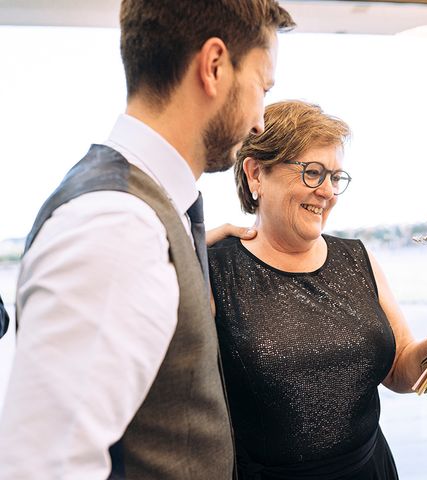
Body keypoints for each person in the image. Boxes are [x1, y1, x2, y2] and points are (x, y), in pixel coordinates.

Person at [0, 2, 294, 479]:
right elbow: (43, 468)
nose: (260, 121)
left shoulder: (150, 218)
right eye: (262, 87)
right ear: (214, 66)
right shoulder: (117, 228)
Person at [207, 100, 427, 479]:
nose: (327, 191)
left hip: (370, 469)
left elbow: (398, 371)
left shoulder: (356, 258)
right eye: (312, 172)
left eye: (335, 177)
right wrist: (182, 242)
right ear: (255, 173)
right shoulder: (216, 271)